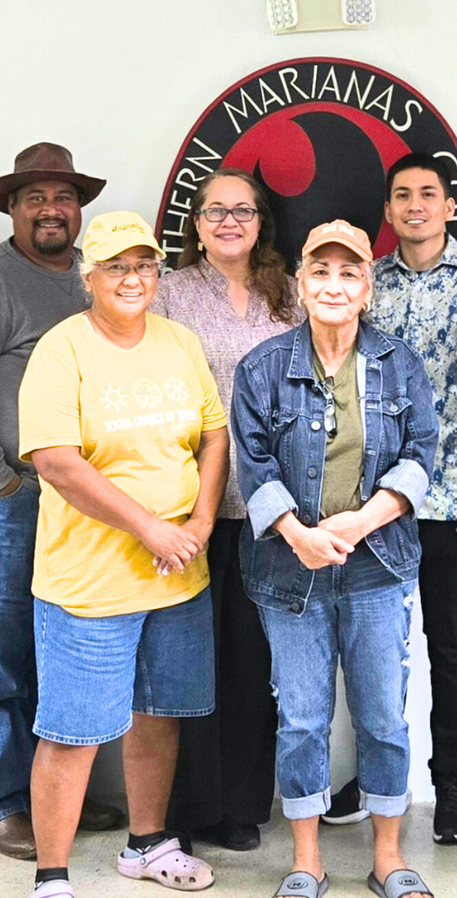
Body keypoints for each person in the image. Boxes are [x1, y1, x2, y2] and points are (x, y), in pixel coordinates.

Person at [0, 143, 123, 859]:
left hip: (76, 505)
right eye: (35, 197)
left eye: (63, 197)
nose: (50, 209)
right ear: (12, 207)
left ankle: (53, 797)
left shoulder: (88, 281)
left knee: (58, 655)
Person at [20, 211, 226, 898]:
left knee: (157, 713)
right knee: (72, 731)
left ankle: (146, 843)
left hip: (176, 574)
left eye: (144, 265)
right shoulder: (63, 349)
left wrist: (198, 519)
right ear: (89, 277)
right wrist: (149, 526)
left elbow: (214, 434)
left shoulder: (179, 341)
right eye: (117, 266)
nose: (133, 278)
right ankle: (52, 876)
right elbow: (56, 460)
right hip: (90, 582)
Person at [233, 219, 440, 898]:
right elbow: (252, 462)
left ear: (367, 288)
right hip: (289, 571)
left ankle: (386, 856)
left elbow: (421, 454)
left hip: (377, 564)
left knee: (383, 714)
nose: (333, 284)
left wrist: (363, 518)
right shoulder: (262, 366)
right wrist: (298, 531)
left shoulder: (400, 363)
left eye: (349, 272)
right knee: (300, 716)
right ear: (300, 283)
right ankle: (307, 860)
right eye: (320, 271)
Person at [351, 153, 457, 845]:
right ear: (387, 210)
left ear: (449, 205)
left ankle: (452, 786)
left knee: (447, 643)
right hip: (374, 495)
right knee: (371, 641)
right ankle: (375, 774)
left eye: (428, 194)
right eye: (402, 195)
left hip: (450, 494)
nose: (415, 204)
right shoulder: (365, 283)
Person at [154, 168, 303, 853]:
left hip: (273, 506)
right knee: (190, 657)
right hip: (194, 504)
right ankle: (190, 807)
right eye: (215, 211)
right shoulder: (172, 294)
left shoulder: (289, 293)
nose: (229, 221)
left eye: (242, 210)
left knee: (254, 660)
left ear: (260, 219)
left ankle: (242, 803)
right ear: (197, 222)